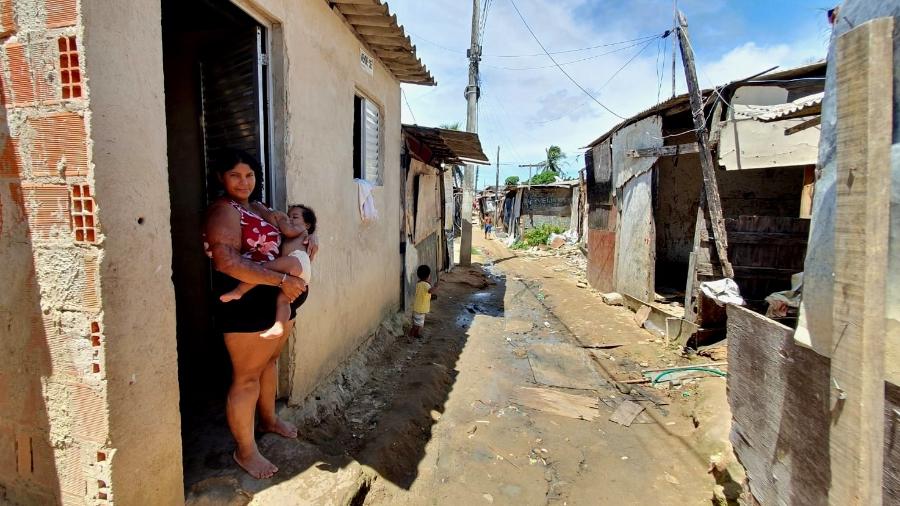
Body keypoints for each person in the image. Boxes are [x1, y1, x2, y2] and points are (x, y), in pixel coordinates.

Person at [203, 148, 318, 480]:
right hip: (245, 302)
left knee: (269, 363)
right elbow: (226, 262)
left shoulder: (258, 208)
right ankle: (246, 451)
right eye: (235, 175)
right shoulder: (223, 211)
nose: (243, 181)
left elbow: (292, 230)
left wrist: (310, 238)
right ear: (222, 178)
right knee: (246, 378)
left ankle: (268, 420)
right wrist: (282, 278)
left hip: (278, 296)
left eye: (249, 175)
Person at [220, 204, 318, 339]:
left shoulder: (299, 229)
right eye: (288, 216)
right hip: (298, 272)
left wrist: (282, 220)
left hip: (296, 261)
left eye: (294, 217)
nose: (289, 219)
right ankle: (279, 326)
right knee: (283, 300)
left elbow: (287, 230)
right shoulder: (298, 231)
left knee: (264, 268)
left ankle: (240, 290)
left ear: (307, 225)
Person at [410, 265, 438, 338]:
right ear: (428, 276)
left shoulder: (418, 283)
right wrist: (435, 287)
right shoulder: (426, 285)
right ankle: (411, 335)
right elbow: (430, 291)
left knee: (418, 324)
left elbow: (424, 294)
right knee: (417, 325)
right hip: (420, 309)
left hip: (418, 308)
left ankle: (416, 334)